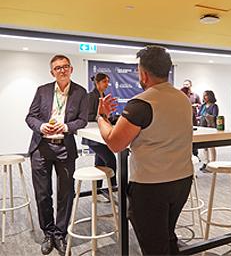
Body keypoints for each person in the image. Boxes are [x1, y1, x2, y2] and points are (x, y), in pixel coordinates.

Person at [97, 46, 193, 255]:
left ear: (143, 73)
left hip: (152, 186)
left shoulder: (142, 103)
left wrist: (101, 117)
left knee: (154, 246)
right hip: (182, 181)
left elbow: (115, 143)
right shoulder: (183, 99)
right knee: (167, 236)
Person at [25, 55, 88, 255]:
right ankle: (48, 232)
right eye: (57, 68)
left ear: (71, 69)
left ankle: (60, 233)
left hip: (64, 148)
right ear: (52, 72)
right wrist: (41, 126)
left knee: (65, 194)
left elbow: (83, 120)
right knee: (43, 194)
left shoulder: (80, 92)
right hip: (41, 147)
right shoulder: (42, 91)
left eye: (65, 67)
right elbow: (30, 117)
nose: (62, 70)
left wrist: (68, 126)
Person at [82, 73, 117, 191]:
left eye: (108, 81)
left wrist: (110, 117)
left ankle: (97, 191)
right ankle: (113, 189)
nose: (107, 84)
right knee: (111, 160)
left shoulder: (104, 96)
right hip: (93, 136)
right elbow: (88, 116)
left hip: (101, 135)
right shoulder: (90, 96)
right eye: (105, 82)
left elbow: (103, 116)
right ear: (97, 83)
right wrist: (101, 116)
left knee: (100, 163)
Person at [197, 90, 219, 172]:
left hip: (210, 128)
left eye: (206, 95)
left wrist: (206, 116)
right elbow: (198, 115)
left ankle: (212, 164)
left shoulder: (214, 106)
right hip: (202, 128)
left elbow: (214, 116)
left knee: (211, 146)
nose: (204, 97)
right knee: (204, 147)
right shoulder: (203, 106)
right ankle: (206, 163)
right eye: (203, 95)